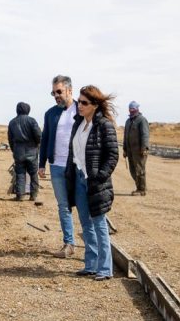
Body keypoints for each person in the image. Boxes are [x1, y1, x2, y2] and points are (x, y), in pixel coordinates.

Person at [65, 85, 119, 281]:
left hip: (95, 181)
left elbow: (113, 155)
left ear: (95, 105)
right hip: (79, 179)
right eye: (79, 102)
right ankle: (90, 265)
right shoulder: (78, 124)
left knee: (99, 224)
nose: (79, 105)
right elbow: (74, 153)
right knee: (86, 223)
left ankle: (105, 268)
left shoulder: (104, 125)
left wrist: (100, 176)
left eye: (84, 103)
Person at [38, 75, 78, 258]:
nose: (56, 95)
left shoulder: (81, 110)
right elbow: (45, 138)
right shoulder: (50, 113)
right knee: (63, 206)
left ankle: (94, 248)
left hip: (77, 166)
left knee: (85, 207)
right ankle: (69, 244)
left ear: (69, 90)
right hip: (56, 166)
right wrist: (42, 164)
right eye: (53, 92)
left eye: (59, 92)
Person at [8, 102, 42, 201]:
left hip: (18, 151)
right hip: (32, 150)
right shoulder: (32, 121)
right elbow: (39, 135)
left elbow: (10, 139)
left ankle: (20, 195)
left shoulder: (12, 122)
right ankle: (33, 195)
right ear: (28, 109)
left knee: (20, 173)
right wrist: (37, 145)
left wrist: (14, 150)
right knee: (33, 173)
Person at [123, 101, 150, 196]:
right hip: (130, 151)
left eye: (133, 109)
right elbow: (125, 136)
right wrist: (125, 149)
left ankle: (142, 189)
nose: (131, 110)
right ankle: (139, 187)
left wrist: (144, 148)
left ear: (137, 109)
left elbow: (145, 135)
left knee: (140, 170)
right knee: (133, 170)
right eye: (130, 109)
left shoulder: (141, 120)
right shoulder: (128, 121)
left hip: (139, 151)